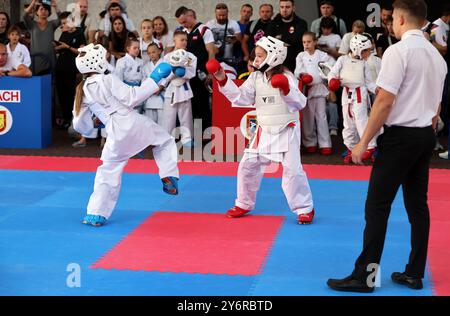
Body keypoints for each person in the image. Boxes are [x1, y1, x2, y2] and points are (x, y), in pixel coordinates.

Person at [327, 0, 447, 293]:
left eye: (392, 19)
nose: (390, 24)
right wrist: (425, 134)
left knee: (377, 206)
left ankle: (364, 277)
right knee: (418, 206)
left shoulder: (398, 51)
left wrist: (361, 143)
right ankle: (415, 272)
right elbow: (436, 107)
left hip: (401, 137)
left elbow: (383, 100)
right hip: (424, 136)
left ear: (402, 20)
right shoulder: (437, 57)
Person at [206, 36, 315, 225]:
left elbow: (300, 103)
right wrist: (222, 78)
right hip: (263, 129)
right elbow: (242, 98)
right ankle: (244, 203)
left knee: (293, 171)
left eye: (259, 56)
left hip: (286, 129)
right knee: (247, 167)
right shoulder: (256, 77)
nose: (255, 60)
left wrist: (285, 89)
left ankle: (304, 208)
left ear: (273, 56)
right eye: (255, 55)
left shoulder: (288, 77)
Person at [72, 43, 179, 227]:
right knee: (165, 141)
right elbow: (133, 97)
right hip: (131, 122)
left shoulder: (83, 89)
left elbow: (80, 123)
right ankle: (169, 175)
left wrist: (93, 126)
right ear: (97, 62)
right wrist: (155, 78)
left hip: (113, 130)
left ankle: (95, 213)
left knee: (108, 170)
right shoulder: (107, 79)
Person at [328, 34, 378, 164]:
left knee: (362, 121)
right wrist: (332, 80)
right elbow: (332, 73)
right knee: (348, 122)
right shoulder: (342, 60)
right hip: (346, 94)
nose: (368, 53)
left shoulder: (364, 64)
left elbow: (369, 83)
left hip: (360, 94)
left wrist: (378, 90)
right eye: (366, 50)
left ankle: (370, 147)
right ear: (357, 49)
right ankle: (351, 148)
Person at [295, 31, 334, 155]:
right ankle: (310, 142)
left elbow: (328, 69)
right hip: (307, 89)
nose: (306, 44)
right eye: (304, 42)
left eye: (309, 42)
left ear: (315, 42)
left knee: (321, 116)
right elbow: (297, 70)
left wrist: (327, 81)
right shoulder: (301, 56)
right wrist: (303, 75)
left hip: (320, 88)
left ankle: (325, 143)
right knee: (308, 117)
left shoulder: (322, 55)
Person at [177, 9, 216, 130]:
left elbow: (211, 51)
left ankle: (207, 133)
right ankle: (195, 133)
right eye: (181, 22)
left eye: (184, 21)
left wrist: (210, 72)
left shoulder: (204, 30)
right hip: (188, 75)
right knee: (191, 104)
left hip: (202, 73)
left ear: (190, 16)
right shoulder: (183, 32)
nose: (183, 24)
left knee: (203, 103)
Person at [162, 32, 197, 147]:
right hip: (171, 89)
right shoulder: (167, 57)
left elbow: (191, 73)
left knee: (186, 115)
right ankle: (167, 139)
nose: (184, 42)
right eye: (181, 40)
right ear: (174, 41)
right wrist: (173, 72)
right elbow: (164, 74)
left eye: (186, 40)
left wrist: (182, 73)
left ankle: (187, 139)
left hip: (184, 89)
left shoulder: (191, 57)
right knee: (169, 116)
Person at [55, 11, 86, 129]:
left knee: (70, 94)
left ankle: (71, 119)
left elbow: (81, 51)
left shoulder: (79, 33)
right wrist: (56, 47)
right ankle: (64, 118)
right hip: (60, 67)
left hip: (72, 68)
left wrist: (67, 47)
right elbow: (59, 47)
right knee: (61, 94)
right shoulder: (64, 33)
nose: (65, 24)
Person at [266, 0, 308, 72]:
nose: (284, 10)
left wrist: (279, 39)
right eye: (282, 7)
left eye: (287, 7)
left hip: (296, 63)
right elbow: (268, 41)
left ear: (293, 8)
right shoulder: (273, 23)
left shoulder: (301, 23)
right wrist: (287, 40)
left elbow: (296, 39)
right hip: (277, 64)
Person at [23, 0, 61, 75]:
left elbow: (61, 19)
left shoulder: (52, 24)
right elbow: (25, 16)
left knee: (50, 83)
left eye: (46, 9)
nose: (44, 11)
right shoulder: (32, 24)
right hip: (36, 60)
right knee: (36, 83)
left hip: (50, 59)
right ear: (36, 12)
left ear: (49, 12)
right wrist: (33, 2)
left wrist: (55, 6)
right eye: (41, 9)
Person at [206, 3, 243, 69]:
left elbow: (240, 39)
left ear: (228, 13)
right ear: (215, 14)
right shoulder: (209, 24)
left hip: (229, 58)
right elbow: (205, 40)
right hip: (214, 56)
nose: (221, 17)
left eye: (224, 15)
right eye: (219, 15)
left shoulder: (234, 23)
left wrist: (235, 39)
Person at [114, 37, 144, 113]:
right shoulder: (121, 61)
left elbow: (143, 76)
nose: (137, 50)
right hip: (126, 89)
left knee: (138, 112)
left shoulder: (141, 61)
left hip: (138, 89)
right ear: (128, 48)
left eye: (138, 48)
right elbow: (118, 79)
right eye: (135, 48)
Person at [142, 42, 165, 125]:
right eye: (149, 53)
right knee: (150, 123)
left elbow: (166, 78)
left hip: (161, 96)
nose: (151, 55)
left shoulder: (164, 64)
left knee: (162, 123)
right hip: (149, 97)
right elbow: (143, 80)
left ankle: (163, 138)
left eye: (153, 52)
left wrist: (161, 87)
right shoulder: (145, 66)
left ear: (159, 51)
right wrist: (149, 89)